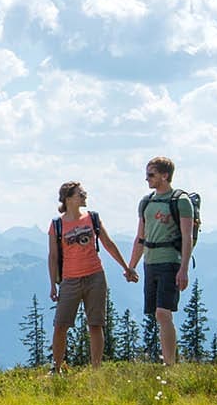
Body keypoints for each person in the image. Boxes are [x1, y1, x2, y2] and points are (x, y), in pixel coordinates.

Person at [49, 181, 135, 373]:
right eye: (81, 193)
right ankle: (56, 368)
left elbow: (108, 243)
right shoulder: (57, 225)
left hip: (95, 276)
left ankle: (96, 369)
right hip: (69, 280)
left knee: (95, 324)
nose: (85, 195)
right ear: (69, 198)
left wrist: (126, 267)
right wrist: (53, 285)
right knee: (60, 325)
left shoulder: (93, 218)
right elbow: (53, 256)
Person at [126, 157, 195, 365]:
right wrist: (132, 265)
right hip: (150, 262)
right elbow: (141, 237)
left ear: (165, 175)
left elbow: (187, 236)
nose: (147, 179)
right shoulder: (146, 202)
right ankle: (168, 360)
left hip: (170, 262)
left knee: (163, 312)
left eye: (151, 174)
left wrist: (183, 269)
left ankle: (169, 364)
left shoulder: (181, 201)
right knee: (158, 314)